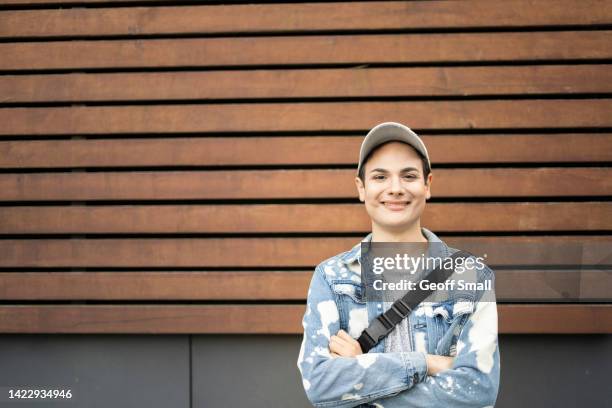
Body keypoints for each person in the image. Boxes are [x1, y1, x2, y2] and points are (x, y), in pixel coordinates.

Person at [297, 122, 500, 407]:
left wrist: (363, 369)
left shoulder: (473, 277)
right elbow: (320, 384)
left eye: (409, 176)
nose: (395, 189)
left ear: (427, 185)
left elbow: (478, 391)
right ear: (361, 188)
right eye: (380, 177)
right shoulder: (332, 278)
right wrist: (427, 363)